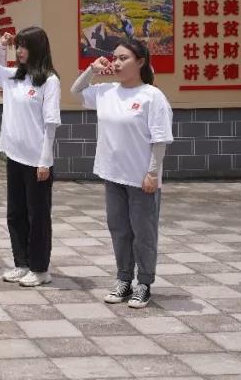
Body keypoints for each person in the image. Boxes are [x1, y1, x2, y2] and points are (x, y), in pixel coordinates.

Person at [71, 40, 173, 308]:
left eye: (123, 58)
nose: (116, 63)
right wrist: (92, 70)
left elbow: (160, 139)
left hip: (141, 179)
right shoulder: (106, 91)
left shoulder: (152, 96)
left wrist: (153, 173)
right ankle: (124, 279)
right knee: (119, 230)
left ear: (140, 62)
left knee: (144, 233)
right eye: (114, 58)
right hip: (112, 174)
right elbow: (76, 91)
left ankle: (144, 283)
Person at [0, 27, 61, 287]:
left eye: (24, 46)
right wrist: (1, 44)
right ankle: (22, 263)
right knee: (15, 213)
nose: (19, 51)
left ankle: (40, 269)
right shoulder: (13, 76)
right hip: (14, 156)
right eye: (17, 46)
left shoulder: (49, 81)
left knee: (37, 216)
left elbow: (51, 123)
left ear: (37, 48)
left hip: (37, 160)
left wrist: (45, 160)